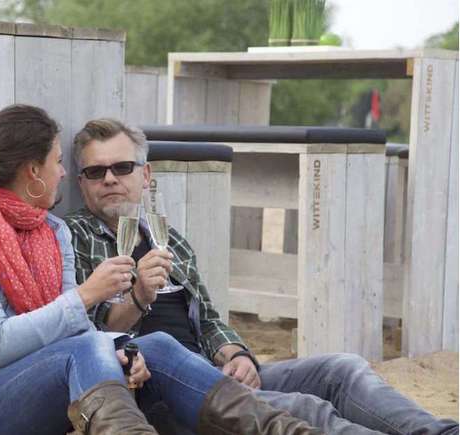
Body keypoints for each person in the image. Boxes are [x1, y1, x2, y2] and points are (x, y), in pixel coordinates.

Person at [0, 104, 320, 435]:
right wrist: (86, 296)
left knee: (157, 346)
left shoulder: (52, 232)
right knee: (86, 348)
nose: (63, 173)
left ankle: (284, 431)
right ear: (32, 172)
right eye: (58, 162)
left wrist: (124, 349)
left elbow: (79, 332)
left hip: (46, 381)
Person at [64, 117, 460, 435]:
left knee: (342, 369)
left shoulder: (171, 240)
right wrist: (138, 296)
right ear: (81, 184)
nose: (110, 179)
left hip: (213, 368)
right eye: (96, 171)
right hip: (169, 389)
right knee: (307, 408)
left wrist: (235, 354)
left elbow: (211, 320)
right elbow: (92, 336)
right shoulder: (73, 238)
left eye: (122, 167)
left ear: (146, 175)